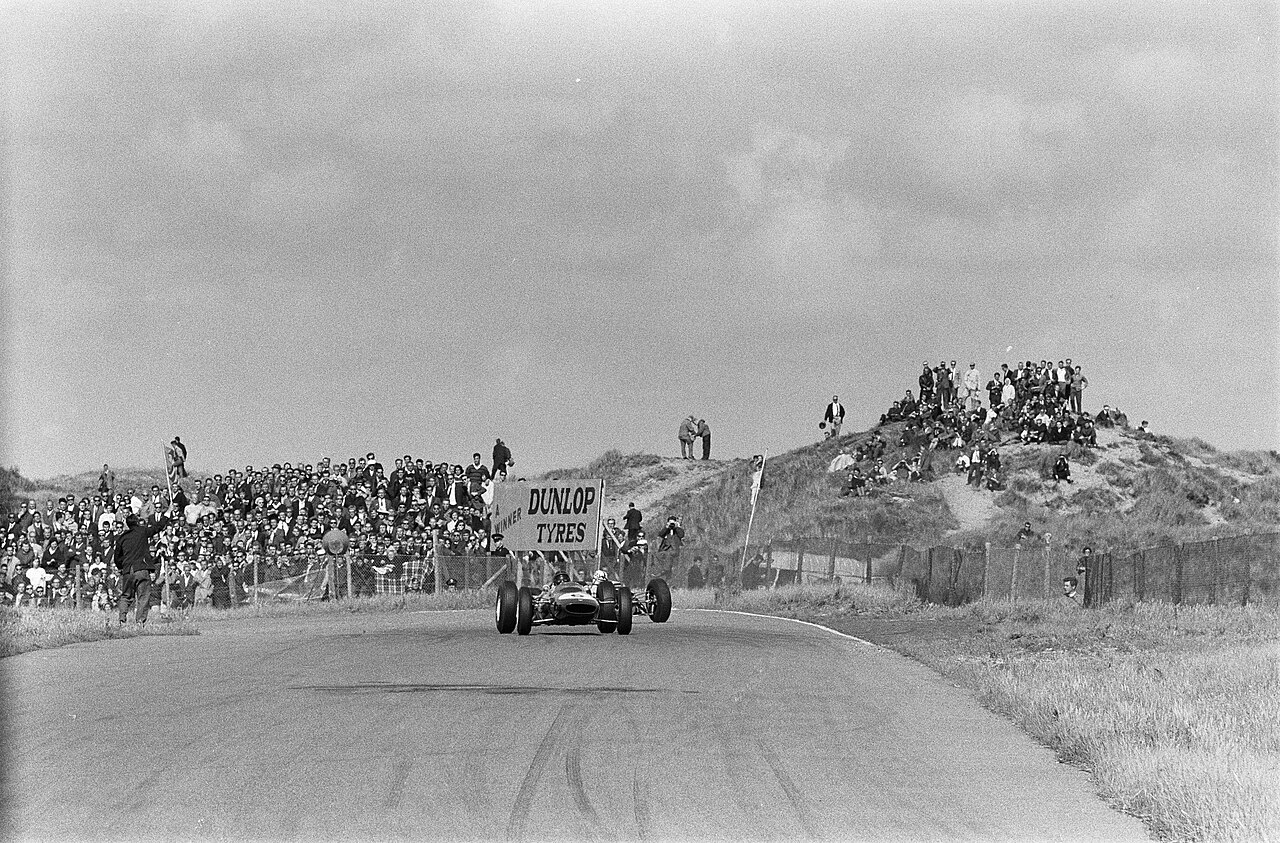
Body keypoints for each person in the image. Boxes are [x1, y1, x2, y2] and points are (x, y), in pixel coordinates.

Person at [115, 505, 172, 624]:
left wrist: (122, 568)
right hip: (141, 569)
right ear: (137, 523)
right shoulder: (142, 531)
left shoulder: (122, 538)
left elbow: (117, 558)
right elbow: (158, 527)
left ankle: (122, 619)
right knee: (143, 597)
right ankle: (140, 622)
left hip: (127, 571)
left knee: (126, 596)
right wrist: (167, 514)